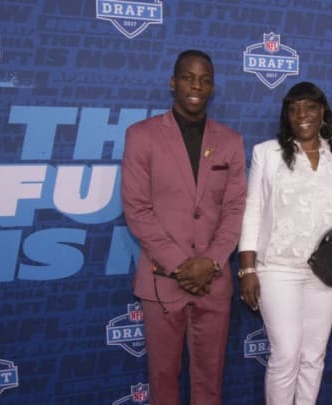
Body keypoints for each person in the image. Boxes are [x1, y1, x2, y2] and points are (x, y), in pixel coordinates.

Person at [120, 49, 247, 405]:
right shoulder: (141, 136)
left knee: (210, 380)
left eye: (205, 80)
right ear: (173, 83)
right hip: (162, 281)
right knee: (162, 380)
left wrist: (211, 262)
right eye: (189, 78)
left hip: (213, 279)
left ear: (213, 87)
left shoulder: (230, 141)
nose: (197, 86)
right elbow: (137, 209)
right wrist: (181, 265)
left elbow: (235, 208)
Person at [238, 81, 332, 405]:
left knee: (314, 355)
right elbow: (252, 210)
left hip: (325, 269)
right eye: (294, 108)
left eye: (309, 107)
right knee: (286, 353)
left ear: (322, 112)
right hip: (277, 268)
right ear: (287, 114)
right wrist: (246, 269)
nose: (302, 115)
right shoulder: (266, 154)